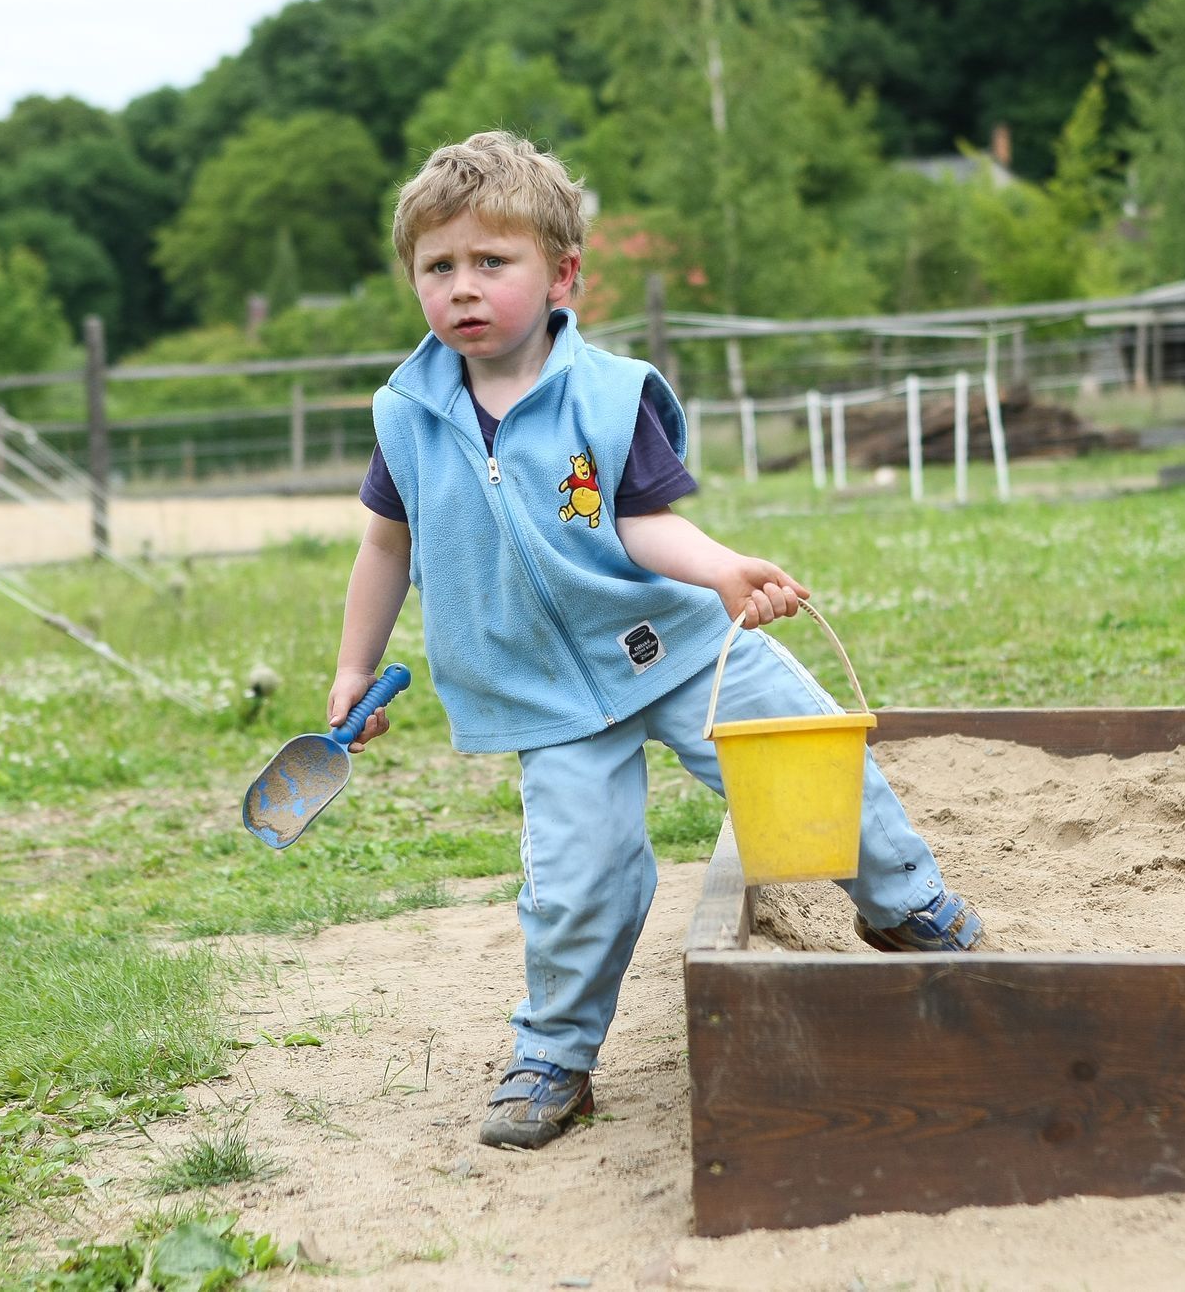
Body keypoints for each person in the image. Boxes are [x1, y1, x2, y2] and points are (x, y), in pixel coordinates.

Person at [328, 130, 986, 1151]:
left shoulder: (606, 394)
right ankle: (554, 1052)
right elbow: (384, 543)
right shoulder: (406, 416)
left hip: (673, 642)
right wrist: (353, 667)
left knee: (810, 753)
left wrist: (721, 569)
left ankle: (910, 905)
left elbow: (644, 520)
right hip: (541, 691)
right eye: (438, 266)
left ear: (561, 274)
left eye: (491, 262)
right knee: (578, 879)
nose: (463, 287)